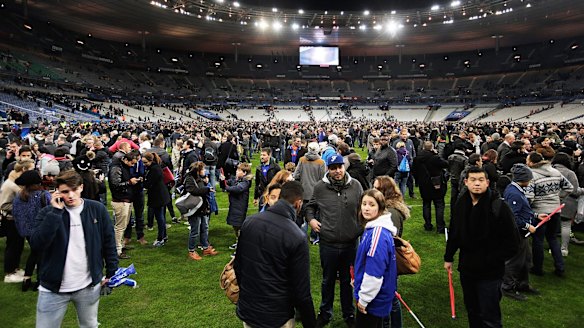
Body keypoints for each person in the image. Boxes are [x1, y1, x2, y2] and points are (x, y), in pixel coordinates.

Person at [30, 170, 118, 328]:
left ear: (81, 188)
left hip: (88, 286)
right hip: (52, 288)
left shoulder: (97, 209)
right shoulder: (47, 213)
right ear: (57, 192)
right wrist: (56, 212)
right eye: (65, 191)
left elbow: (108, 242)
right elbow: (37, 244)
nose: (70, 195)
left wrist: (112, 272)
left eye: (74, 189)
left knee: (90, 325)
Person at [444, 166, 520, 328]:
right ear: (466, 182)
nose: (476, 184)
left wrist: (493, 259)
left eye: (480, 180)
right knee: (473, 311)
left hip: (490, 272)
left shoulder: (499, 207)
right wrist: (448, 257)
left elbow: (513, 242)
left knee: (489, 316)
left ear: (487, 182)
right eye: (473, 180)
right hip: (467, 269)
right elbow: (455, 232)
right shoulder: (461, 204)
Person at [235, 181, 316, 328]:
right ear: (298, 203)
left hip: (249, 310)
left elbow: (238, 266)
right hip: (277, 316)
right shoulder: (296, 236)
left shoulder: (249, 222)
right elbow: (302, 292)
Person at [306, 154, 364, 328]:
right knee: (327, 280)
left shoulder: (356, 185)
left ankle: (349, 314)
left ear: (344, 167)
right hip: (328, 243)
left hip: (351, 244)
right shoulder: (320, 187)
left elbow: (365, 208)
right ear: (328, 170)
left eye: (340, 167)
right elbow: (310, 206)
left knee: (348, 281)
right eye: (333, 168)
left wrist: (359, 228)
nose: (337, 171)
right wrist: (311, 220)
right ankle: (325, 313)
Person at [354, 189, 398, 328]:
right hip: (375, 296)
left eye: (372, 205)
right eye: (364, 203)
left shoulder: (378, 234)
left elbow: (374, 273)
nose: (366, 208)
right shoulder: (372, 228)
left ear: (380, 207)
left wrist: (364, 299)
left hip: (374, 300)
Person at [525, 151, 573, 277]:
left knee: (538, 240)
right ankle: (560, 267)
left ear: (531, 162)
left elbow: (529, 196)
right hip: (555, 210)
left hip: (540, 211)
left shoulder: (532, 175)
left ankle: (538, 268)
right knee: (553, 238)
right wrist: (558, 198)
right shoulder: (556, 172)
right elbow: (569, 188)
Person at [502, 164, 542, 301]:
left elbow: (523, 209)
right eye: (529, 179)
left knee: (526, 259)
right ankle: (507, 286)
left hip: (523, 233)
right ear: (523, 179)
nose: (530, 181)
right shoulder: (514, 193)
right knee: (515, 261)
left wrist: (536, 215)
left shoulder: (517, 190)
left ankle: (522, 283)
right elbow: (513, 216)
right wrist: (527, 226)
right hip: (517, 233)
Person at [12, 170, 52, 291]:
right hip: (42, 230)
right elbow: (50, 210)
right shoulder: (43, 195)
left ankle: (27, 279)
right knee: (41, 255)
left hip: (27, 231)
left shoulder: (19, 196)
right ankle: (40, 281)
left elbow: (16, 213)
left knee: (35, 253)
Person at [0, 159, 35, 283]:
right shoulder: (10, 185)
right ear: (24, 170)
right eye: (31, 169)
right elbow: (3, 205)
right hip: (10, 220)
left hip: (17, 220)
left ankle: (14, 269)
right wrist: (22, 206)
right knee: (13, 246)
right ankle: (9, 273)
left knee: (18, 245)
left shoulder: (16, 183)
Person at [109, 151, 141, 259]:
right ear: (126, 160)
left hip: (126, 200)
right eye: (132, 163)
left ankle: (120, 245)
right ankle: (117, 250)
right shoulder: (116, 168)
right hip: (120, 201)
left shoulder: (123, 167)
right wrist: (129, 182)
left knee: (123, 225)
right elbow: (115, 185)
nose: (133, 165)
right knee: (120, 227)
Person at [551, 152, 584, 256]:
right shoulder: (570, 173)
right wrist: (583, 190)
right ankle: (563, 249)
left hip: (551, 201)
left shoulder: (550, 170)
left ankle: (553, 248)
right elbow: (575, 191)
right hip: (567, 203)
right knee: (565, 225)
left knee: (551, 227)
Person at [412, 141, 449, 233]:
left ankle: (428, 225)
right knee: (439, 204)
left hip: (424, 184)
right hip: (436, 184)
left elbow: (414, 171)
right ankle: (440, 227)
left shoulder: (417, 158)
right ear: (432, 147)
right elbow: (446, 164)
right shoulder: (435, 158)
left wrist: (418, 180)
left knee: (426, 204)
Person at [183, 161, 217, 260]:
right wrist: (207, 189)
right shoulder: (189, 179)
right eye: (202, 169)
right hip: (195, 209)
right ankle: (191, 250)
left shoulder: (199, 178)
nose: (204, 171)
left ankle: (205, 248)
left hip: (203, 207)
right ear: (197, 171)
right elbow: (193, 191)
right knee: (195, 230)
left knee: (205, 227)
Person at [142, 152, 171, 247]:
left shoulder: (154, 169)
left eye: (145, 162)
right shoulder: (155, 167)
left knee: (160, 218)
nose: (144, 164)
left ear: (151, 161)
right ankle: (164, 236)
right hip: (160, 195)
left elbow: (148, 183)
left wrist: (142, 181)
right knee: (161, 217)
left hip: (158, 196)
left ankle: (160, 238)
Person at [223, 163, 253, 254]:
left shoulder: (245, 182)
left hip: (240, 207)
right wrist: (223, 180)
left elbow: (238, 189)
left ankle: (242, 246)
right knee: (235, 226)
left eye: (239, 170)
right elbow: (229, 182)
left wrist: (227, 188)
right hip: (234, 206)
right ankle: (238, 242)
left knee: (239, 226)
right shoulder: (238, 180)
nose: (236, 172)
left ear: (244, 173)